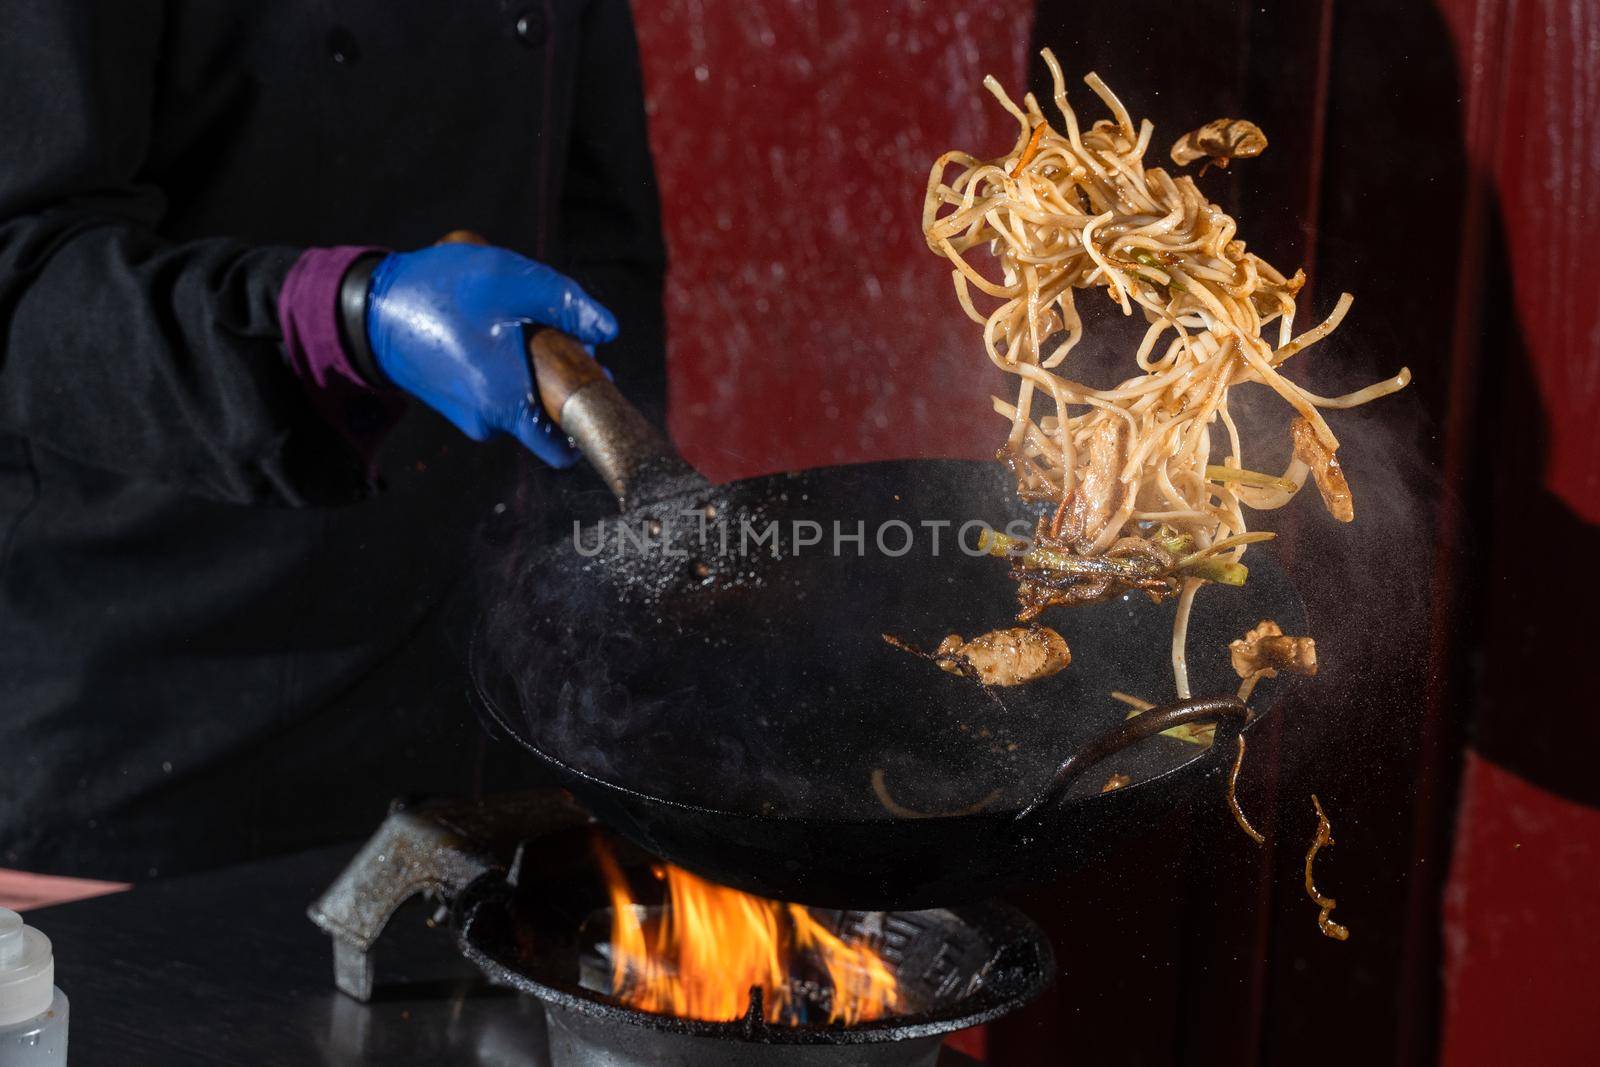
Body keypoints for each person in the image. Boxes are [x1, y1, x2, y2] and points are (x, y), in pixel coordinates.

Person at [0, 0, 666, 881]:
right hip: (149, 750)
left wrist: (630, 604)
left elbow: (600, 244)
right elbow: (24, 275)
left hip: (475, 737)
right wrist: (344, 317)